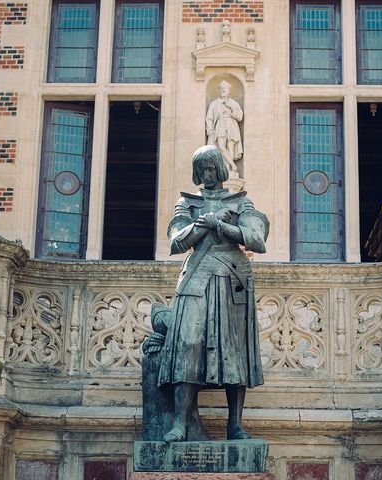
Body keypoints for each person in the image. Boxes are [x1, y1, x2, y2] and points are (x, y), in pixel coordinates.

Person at [158, 145, 269, 442]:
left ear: (220, 169)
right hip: (195, 279)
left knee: (234, 351)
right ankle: (180, 423)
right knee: (187, 345)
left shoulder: (241, 202)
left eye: (211, 169)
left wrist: (221, 224)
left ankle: (235, 424)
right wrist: (201, 225)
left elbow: (257, 238)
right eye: (202, 170)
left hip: (231, 278)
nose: (206, 175)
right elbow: (176, 241)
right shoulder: (187, 202)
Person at [206, 81, 244, 173]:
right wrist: (210, 129)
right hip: (220, 124)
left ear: (229, 90)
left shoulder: (233, 103)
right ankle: (233, 166)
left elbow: (240, 116)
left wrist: (231, 108)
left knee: (230, 146)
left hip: (231, 124)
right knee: (221, 146)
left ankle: (229, 170)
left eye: (225, 88)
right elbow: (209, 117)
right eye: (222, 88)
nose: (223, 90)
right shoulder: (214, 103)